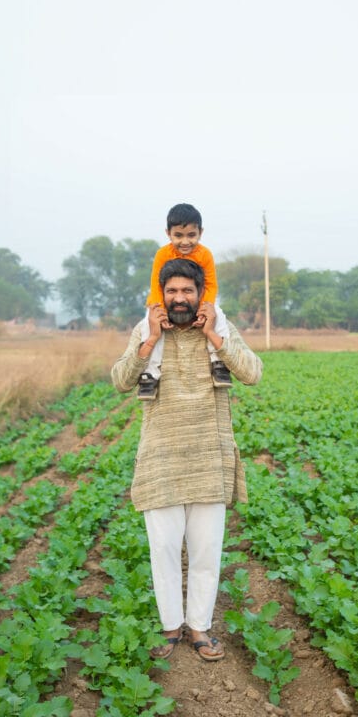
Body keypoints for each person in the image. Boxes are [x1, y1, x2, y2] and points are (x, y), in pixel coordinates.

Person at [111, 258, 263, 661]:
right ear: (161, 296)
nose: (180, 298)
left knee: (206, 551)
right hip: (161, 458)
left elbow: (252, 373)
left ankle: (199, 627)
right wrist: (149, 340)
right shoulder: (146, 331)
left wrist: (214, 336)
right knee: (163, 550)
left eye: (187, 291)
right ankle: (169, 627)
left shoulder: (219, 329)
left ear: (200, 295)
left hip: (210, 457)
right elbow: (121, 381)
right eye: (172, 291)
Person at [138, 203, 231, 400]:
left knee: (218, 315)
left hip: (198, 301)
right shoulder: (162, 254)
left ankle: (219, 363)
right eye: (178, 235)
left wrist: (205, 309)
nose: (185, 241)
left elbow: (211, 285)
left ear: (201, 232)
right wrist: (160, 312)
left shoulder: (205, 255)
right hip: (162, 302)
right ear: (168, 233)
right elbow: (156, 285)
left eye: (191, 235)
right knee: (149, 324)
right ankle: (150, 374)